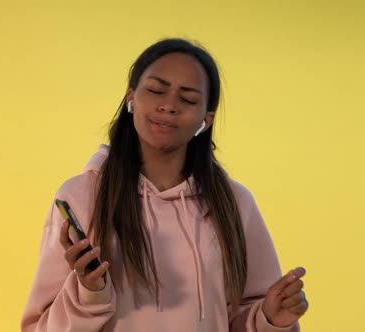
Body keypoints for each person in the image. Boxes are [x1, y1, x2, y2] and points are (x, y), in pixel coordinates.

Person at [20, 38, 309, 332]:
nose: (169, 106)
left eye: (188, 99)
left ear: (205, 121)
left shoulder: (235, 203)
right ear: (131, 98)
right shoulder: (82, 197)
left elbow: (241, 318)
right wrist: (89, 295)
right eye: (157, 90)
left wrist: (271, 318)